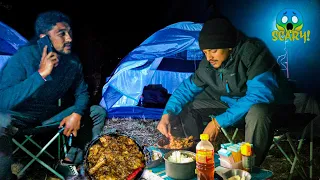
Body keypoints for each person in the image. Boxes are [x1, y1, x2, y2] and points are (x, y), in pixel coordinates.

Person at [157, 18, 295, 166]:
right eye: (205, 52)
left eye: (213, 51)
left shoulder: (253, 53)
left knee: (258, 110)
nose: (209, 57)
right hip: (234, 107)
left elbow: (260, 96)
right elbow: (186, 89)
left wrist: (217, 122)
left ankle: (248, 169)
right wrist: (167, 114)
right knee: (190, 104)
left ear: (229, 46)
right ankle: (195, 157)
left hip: (272, 110)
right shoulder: (208, 64)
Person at [0, 11, 106, 179]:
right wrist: (40, 74)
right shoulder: (22, 58)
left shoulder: (72, 62)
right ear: (44, 37)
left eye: (70, 33)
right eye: (62, 33)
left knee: (97, 112)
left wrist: (77, 112)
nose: (69, 38)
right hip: (17, 119)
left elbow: (83, 92)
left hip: (47, 117)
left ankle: (69, 160)